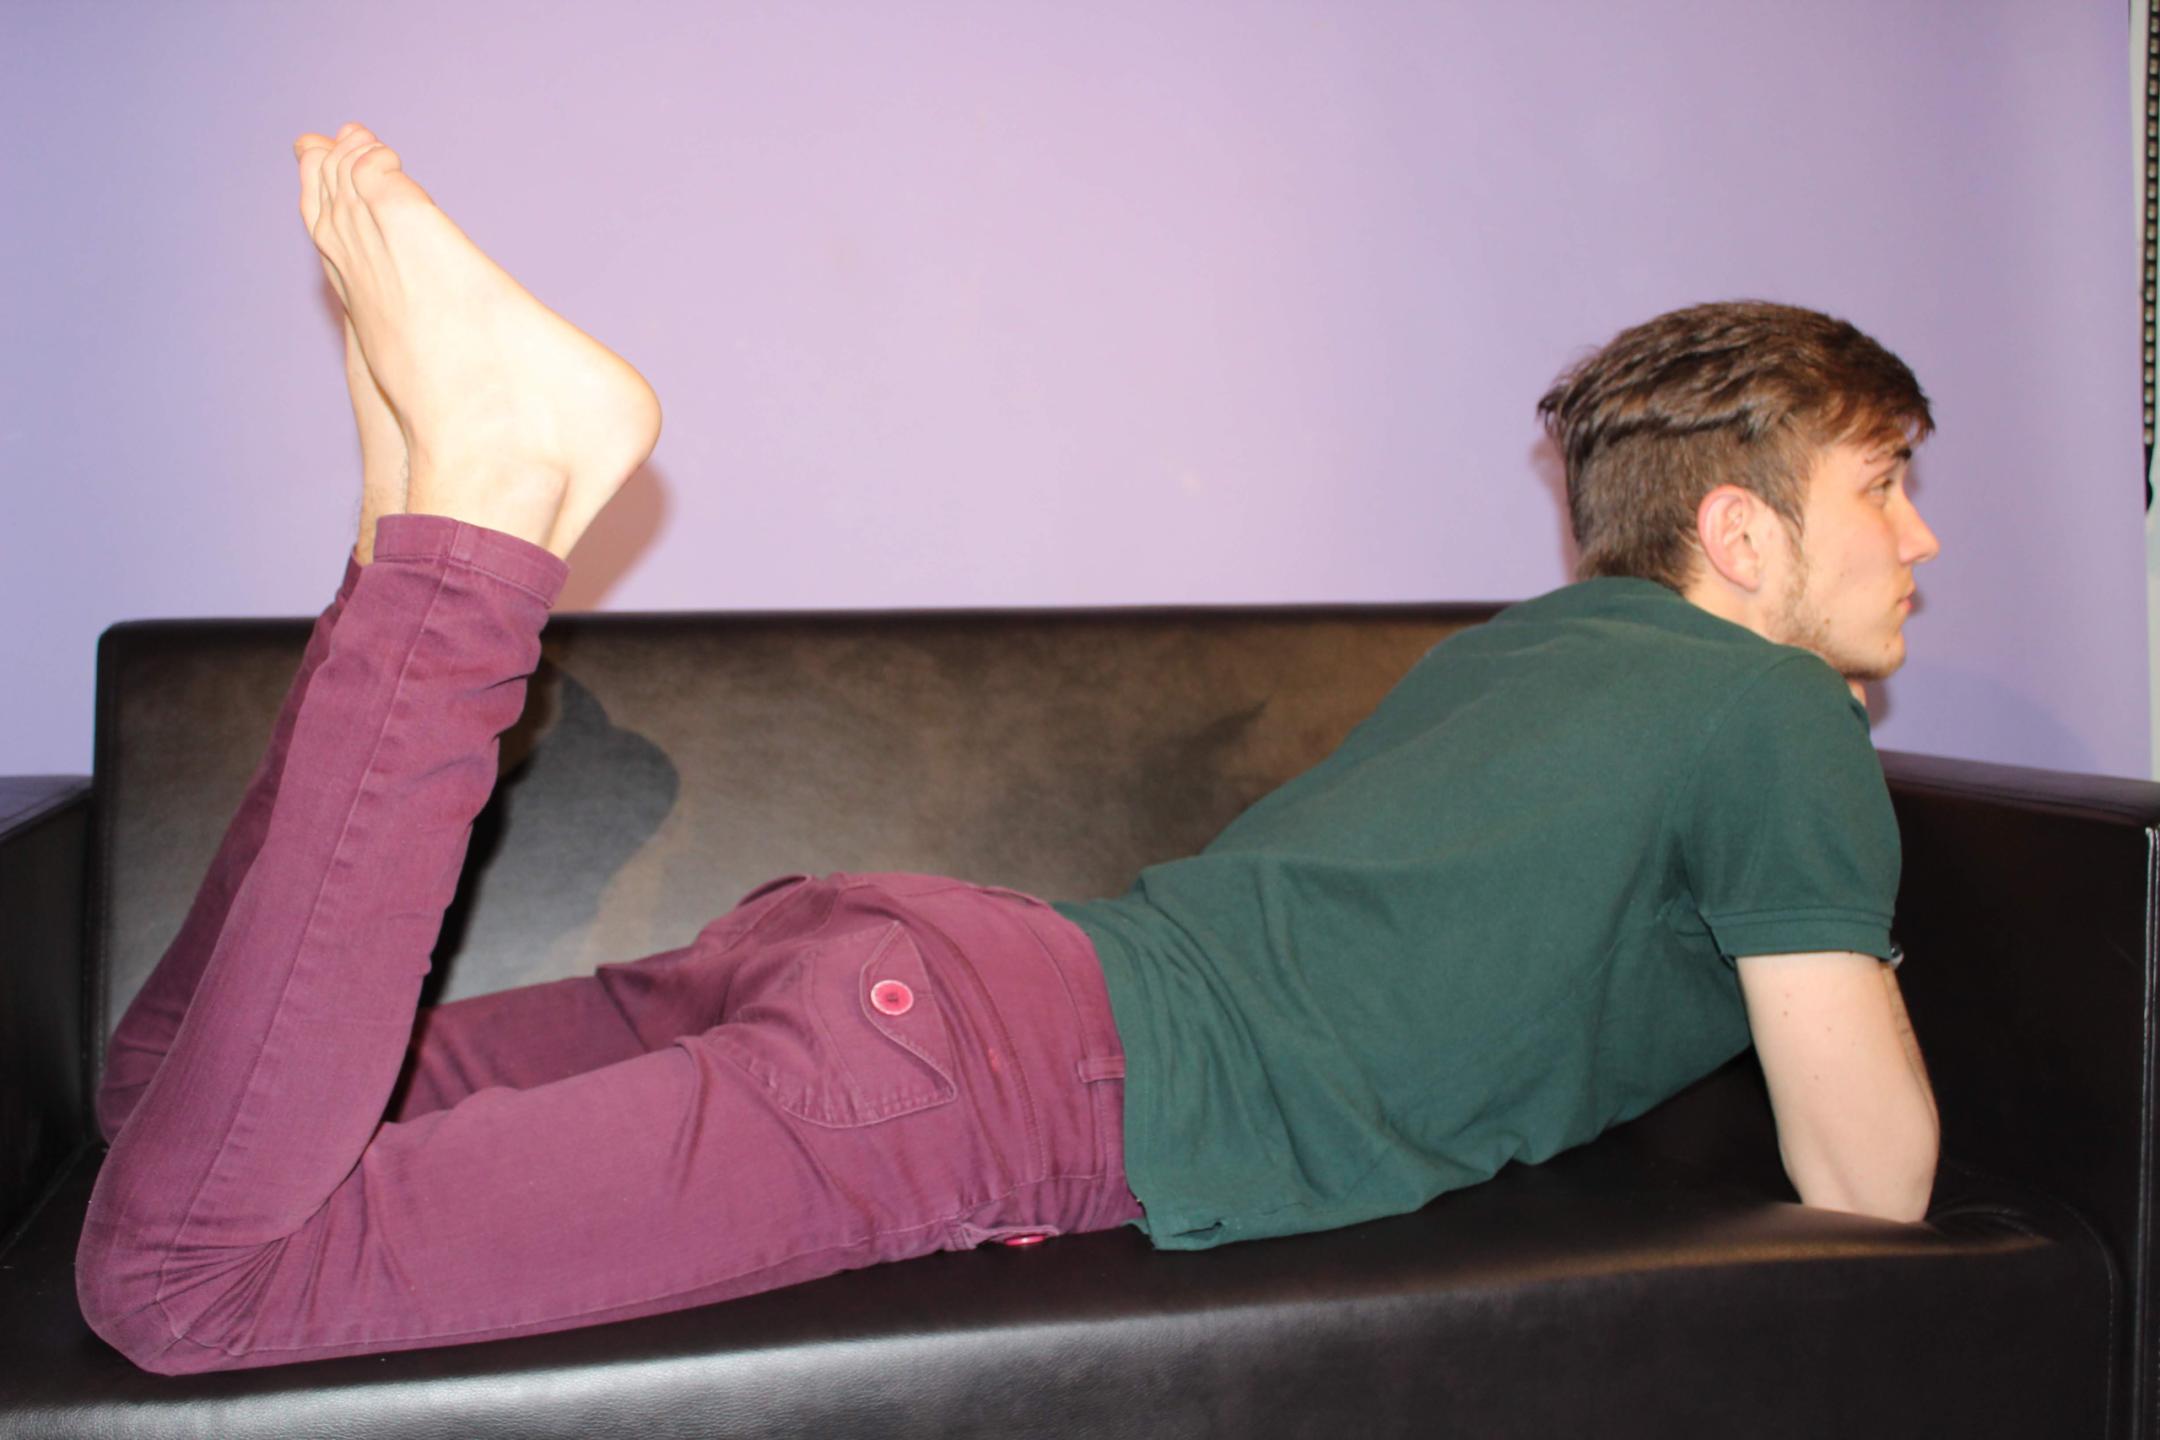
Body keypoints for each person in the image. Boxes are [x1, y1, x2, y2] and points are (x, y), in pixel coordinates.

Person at [76, 123, 1940, 1375]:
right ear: (1740, 536)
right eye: (1885, 485)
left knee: (163, 1106)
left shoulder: (1517, 663)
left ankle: (397, 546)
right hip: (979, 1079)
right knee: (183, 1276)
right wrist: (1821, 772)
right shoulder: (1768, 709)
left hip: (910, 958)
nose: (1921, 539)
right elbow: (1873, 1191)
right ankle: (475, 519)